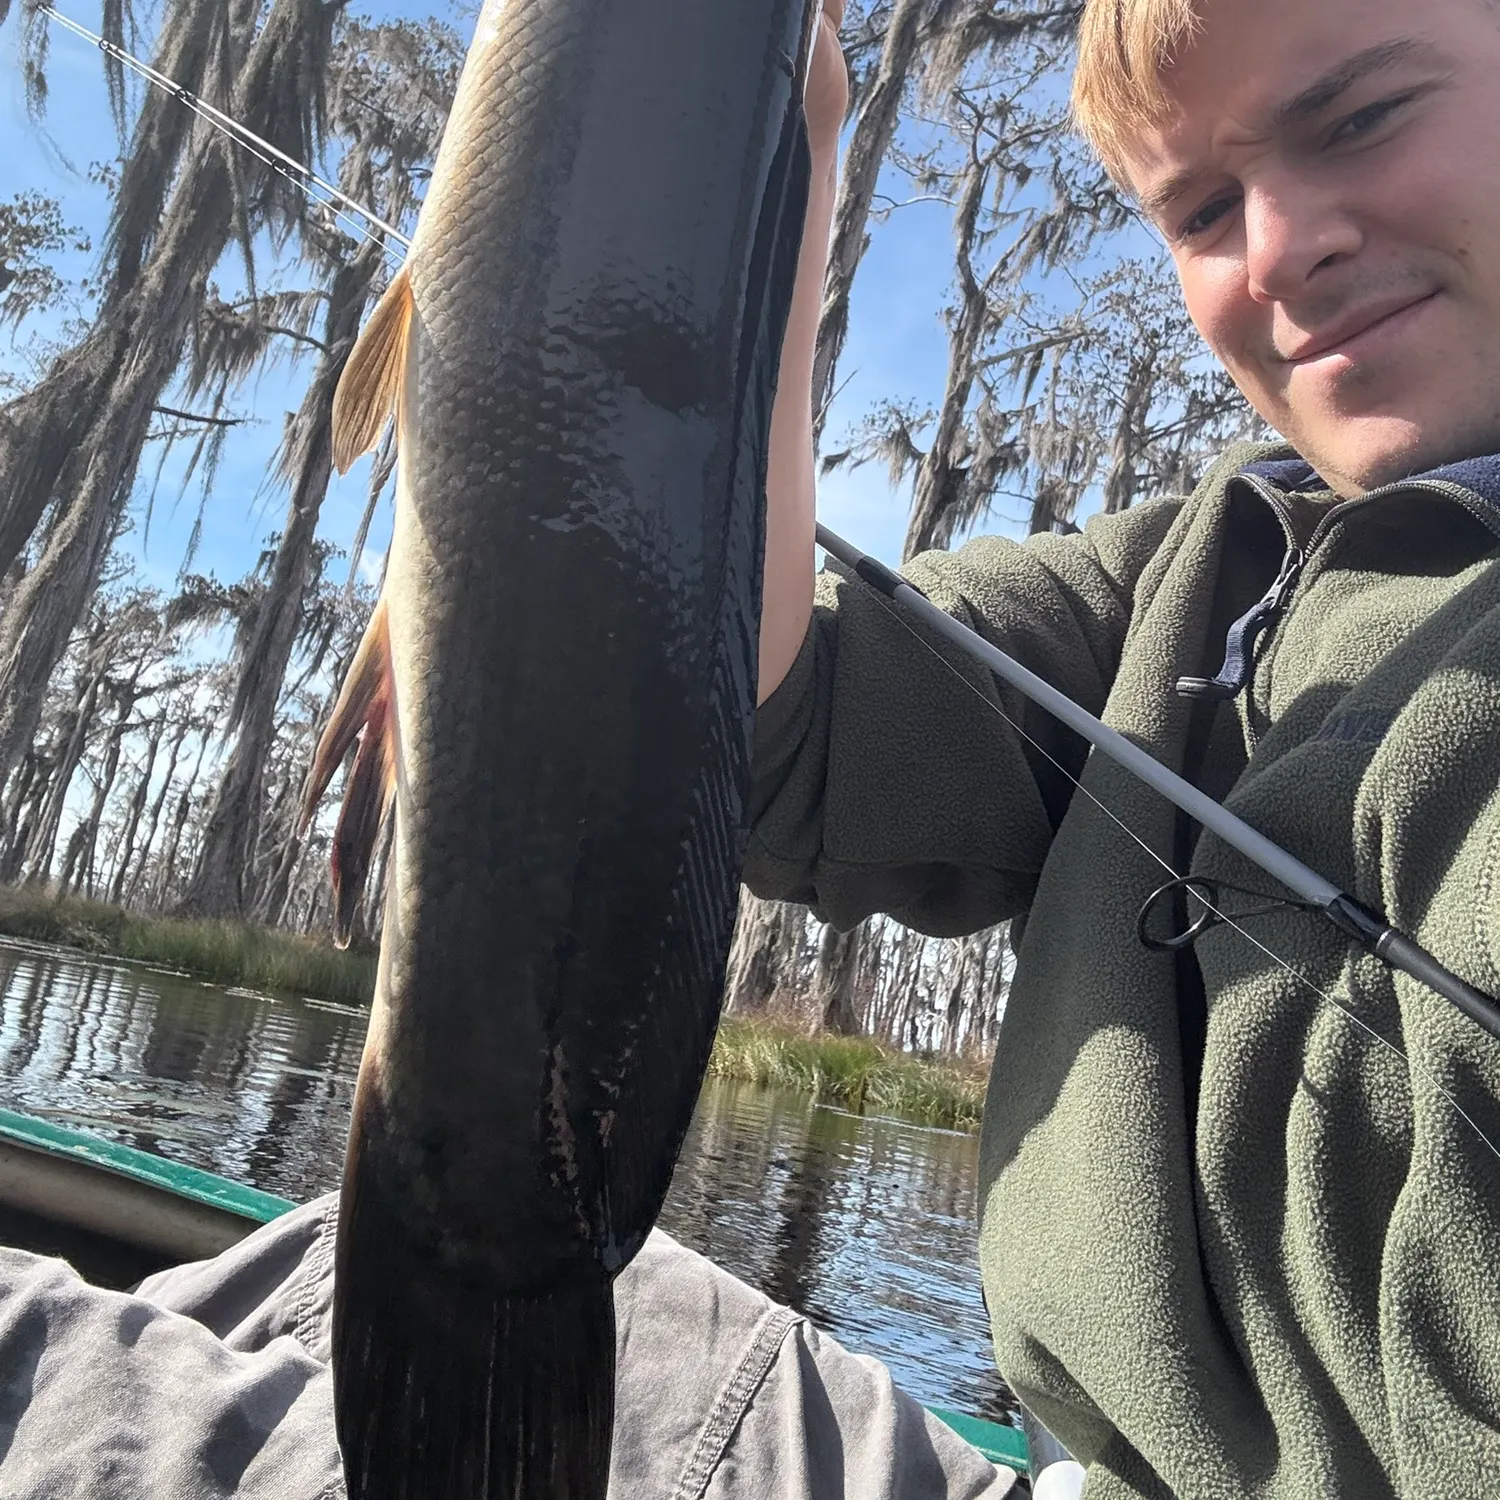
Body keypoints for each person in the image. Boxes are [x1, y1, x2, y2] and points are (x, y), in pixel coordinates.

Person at [5, 0, 1500, 1495]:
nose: (1283, 242)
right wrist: (783, 142)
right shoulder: (1208, 566)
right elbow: (783, 724)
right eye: (1200, 207)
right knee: (311, 1281)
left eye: (1361, 117)